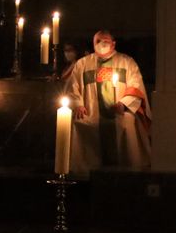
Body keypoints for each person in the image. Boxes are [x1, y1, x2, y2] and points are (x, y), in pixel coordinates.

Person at [64, 29, 151, 173]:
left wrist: (124, 103)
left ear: (114, 44)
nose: (102, 44)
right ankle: (85, 171)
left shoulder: (127, 62)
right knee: (80, 123)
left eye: (105, 41)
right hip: (91, 112)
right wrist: (78, 104)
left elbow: (136, 86)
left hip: (120, 112)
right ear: (93, 44)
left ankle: (128, 170)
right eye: (98, 41)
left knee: (128, 123)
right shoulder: (82, 64)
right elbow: (73, 87)